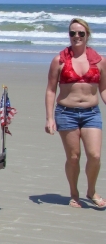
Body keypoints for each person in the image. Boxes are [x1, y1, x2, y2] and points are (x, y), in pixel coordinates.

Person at [45, 18, 106, 208]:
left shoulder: (100, 61)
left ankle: (91, 191)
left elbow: (104, 89)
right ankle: (74, 193)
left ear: (87, 35)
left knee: (94, 155)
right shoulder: (59, 60)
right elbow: (51, 90)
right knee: (73, 157)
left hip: (91, 113)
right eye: (72, 33)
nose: (76, 36)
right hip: (66, 113)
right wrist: (50, 118)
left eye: (80, 33)